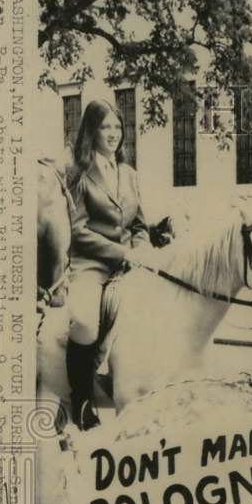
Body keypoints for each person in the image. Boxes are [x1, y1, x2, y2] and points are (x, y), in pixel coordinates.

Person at [65, 99, 154, 431]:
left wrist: (141, 251)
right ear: (92, 130)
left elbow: (140, 226)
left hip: (131, 264)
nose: (113, 133)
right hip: (91, 265)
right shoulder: (78, 173)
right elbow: (77, 231)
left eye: (118, 126)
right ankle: (83, 403)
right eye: (105, 127)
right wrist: (122, 253)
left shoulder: (129, 174)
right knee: (86, 322)